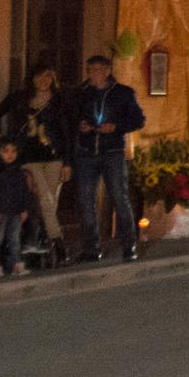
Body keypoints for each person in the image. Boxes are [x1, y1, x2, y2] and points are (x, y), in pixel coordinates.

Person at [62, 53, 144, 263]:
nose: (93, 75)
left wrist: (116, 127)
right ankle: (91, 247)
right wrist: (82, 126)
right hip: (87, 152)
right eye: (90, 71)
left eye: (97, 70)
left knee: (119, 196)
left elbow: (138, 119)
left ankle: (129, 244)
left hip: (112, 152)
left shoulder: (123, 93)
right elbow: (72, 120)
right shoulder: (82, 94)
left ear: (107, 71)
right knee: (85, 201)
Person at [0, 64, 69, 259]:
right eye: (39, 76)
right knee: (44, 198)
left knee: (49, 201)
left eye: (47, 77)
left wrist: (68, 161)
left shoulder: (60, 101)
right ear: (32, 78)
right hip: (29, 156)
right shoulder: (20, 98)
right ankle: (58, 242)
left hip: (53, 156)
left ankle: (37, 238)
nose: (43, 81)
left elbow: (68, 131)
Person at [0, 137, 38, 279]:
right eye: (5, 151)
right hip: (0, 211)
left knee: (15, 239)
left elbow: (24, 192)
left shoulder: (18, 172)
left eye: (13, 151)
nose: (10, 154)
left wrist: (24, 209)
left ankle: (16, 263)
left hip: (16, 211)